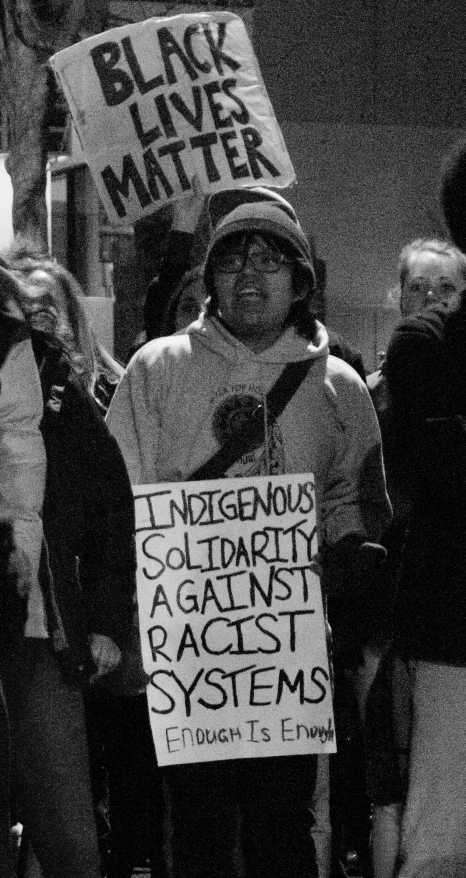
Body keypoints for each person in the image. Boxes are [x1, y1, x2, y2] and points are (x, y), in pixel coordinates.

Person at [107, 199, 391, 878]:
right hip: (189, 651)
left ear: (300, 280)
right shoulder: (157, 370)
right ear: (210, 280)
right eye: (231, 259)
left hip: (285, 652)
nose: (248, 273)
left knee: (282, 825)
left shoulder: (339, 386)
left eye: (269, 258)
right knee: (197, 824)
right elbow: (119, 500)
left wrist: (348, 563)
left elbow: (354, 501)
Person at [0, 262, 136, 878]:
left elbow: (109, 498)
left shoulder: (47, 372)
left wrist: (105, 619)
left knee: (68, 837)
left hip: (37, 630)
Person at [381, 238, 466, 878]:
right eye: (420, 287)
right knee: (435, 821)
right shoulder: (421, 350)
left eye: (447, 288)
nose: (432, 299)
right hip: (439, 614)